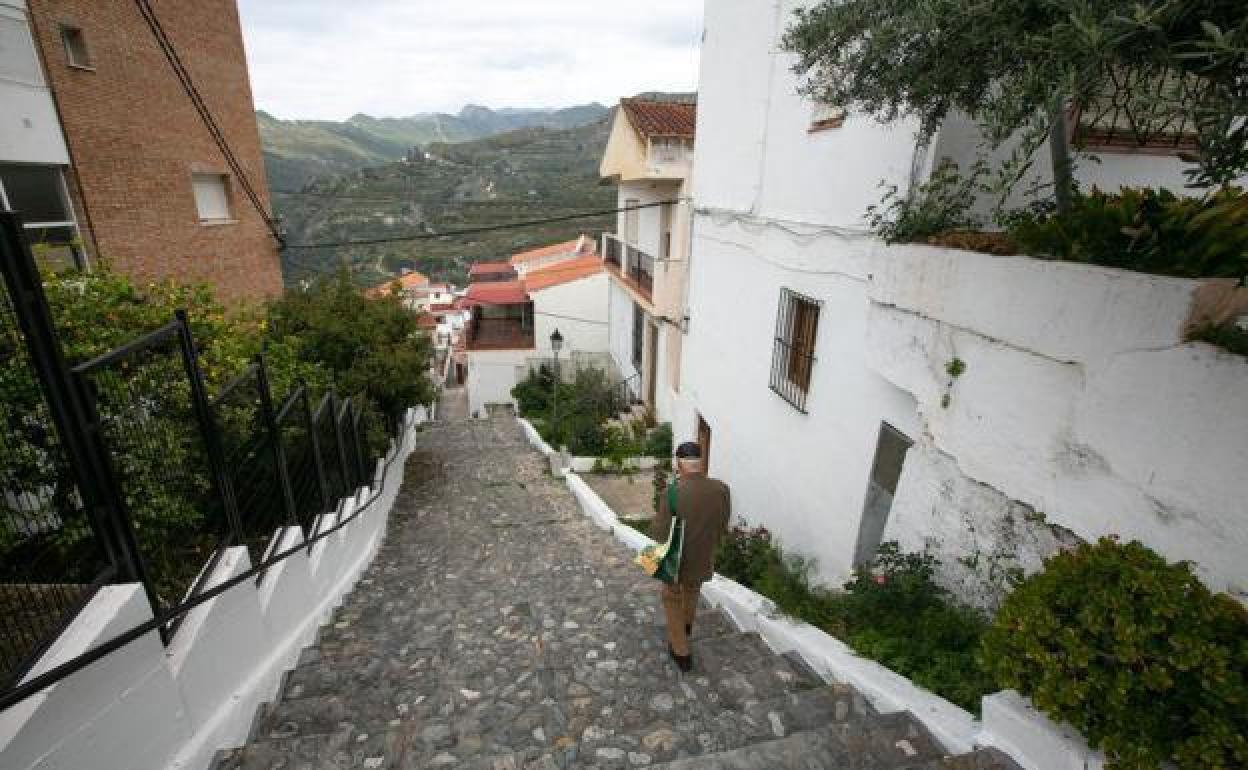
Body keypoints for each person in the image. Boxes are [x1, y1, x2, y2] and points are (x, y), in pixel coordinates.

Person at [653, 441, 731, 672]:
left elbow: (659, 533)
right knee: (693, 590)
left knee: (671, 596)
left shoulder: (672, 492)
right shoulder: (721, 489)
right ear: (701, 462)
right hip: (704, 555)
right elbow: (722, 523)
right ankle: (686, 624)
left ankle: (681, 651)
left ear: (679, 463)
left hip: (678, 560)